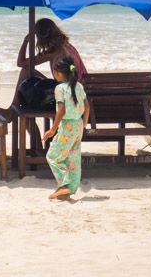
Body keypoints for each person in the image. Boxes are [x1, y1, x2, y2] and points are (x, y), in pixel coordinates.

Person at [42, 54, 89, 200]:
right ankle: (70, 189)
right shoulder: (79, 86)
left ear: (57, 73)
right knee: (73, 158)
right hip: (78, 125)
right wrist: (84, 124)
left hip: (67, 126)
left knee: (53, 156)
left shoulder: (60, 88)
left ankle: (64, 185)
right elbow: (87, 106)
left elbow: (61, 111)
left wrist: (52, 129)